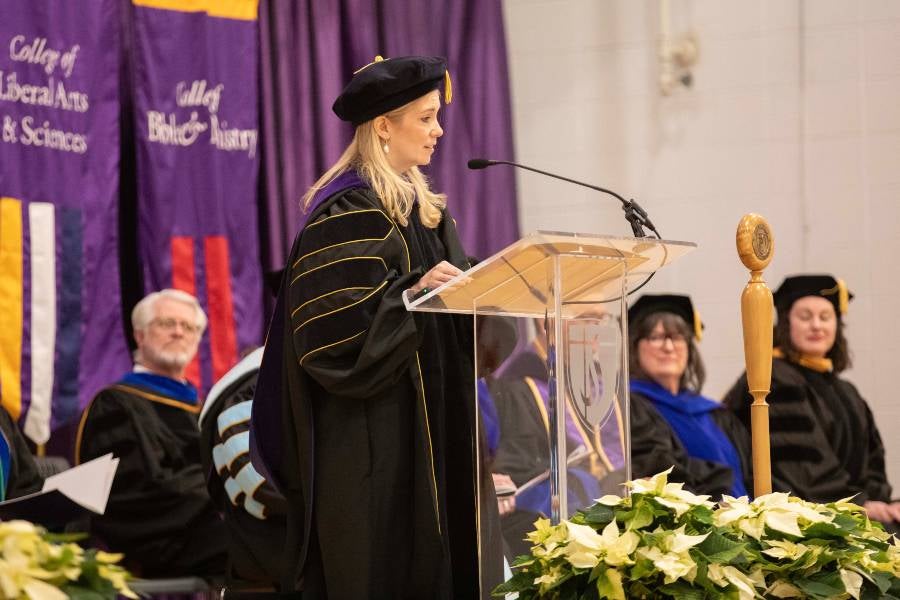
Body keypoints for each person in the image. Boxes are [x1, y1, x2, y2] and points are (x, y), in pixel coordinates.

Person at [251, 56, 499, 599]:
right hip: (378, 447)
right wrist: (411, 293)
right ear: (384, 124)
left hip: (434, 430)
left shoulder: (428, 215)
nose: (439, 130)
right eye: (427, 117)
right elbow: (330, 340)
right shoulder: (350, 212)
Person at [75, 289, 227, 578]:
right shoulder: (117, 404)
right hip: (161, 539)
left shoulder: (205, 408)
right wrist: (224, 496)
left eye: (189, 327)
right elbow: (135, 495)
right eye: (167, 324)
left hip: (206, 526)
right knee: (266, 546)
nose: (178, 333)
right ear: (140, 335)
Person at [724, 275, 900, 525]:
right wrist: (859, 505)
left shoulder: (846, 390)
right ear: (786, 323)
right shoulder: (772, 379)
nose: (816, 326)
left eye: (825, 317)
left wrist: (881, 500)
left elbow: (872, 460)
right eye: (805, 317)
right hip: (799, 519)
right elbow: (803, 469)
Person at [628, 294, 751, 498]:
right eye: (655, 337)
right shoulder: (631, 407)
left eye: (677, 337)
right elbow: (658, 472)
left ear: (689, 348)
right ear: (636, 347)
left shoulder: (715, 414)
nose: (668, 347)